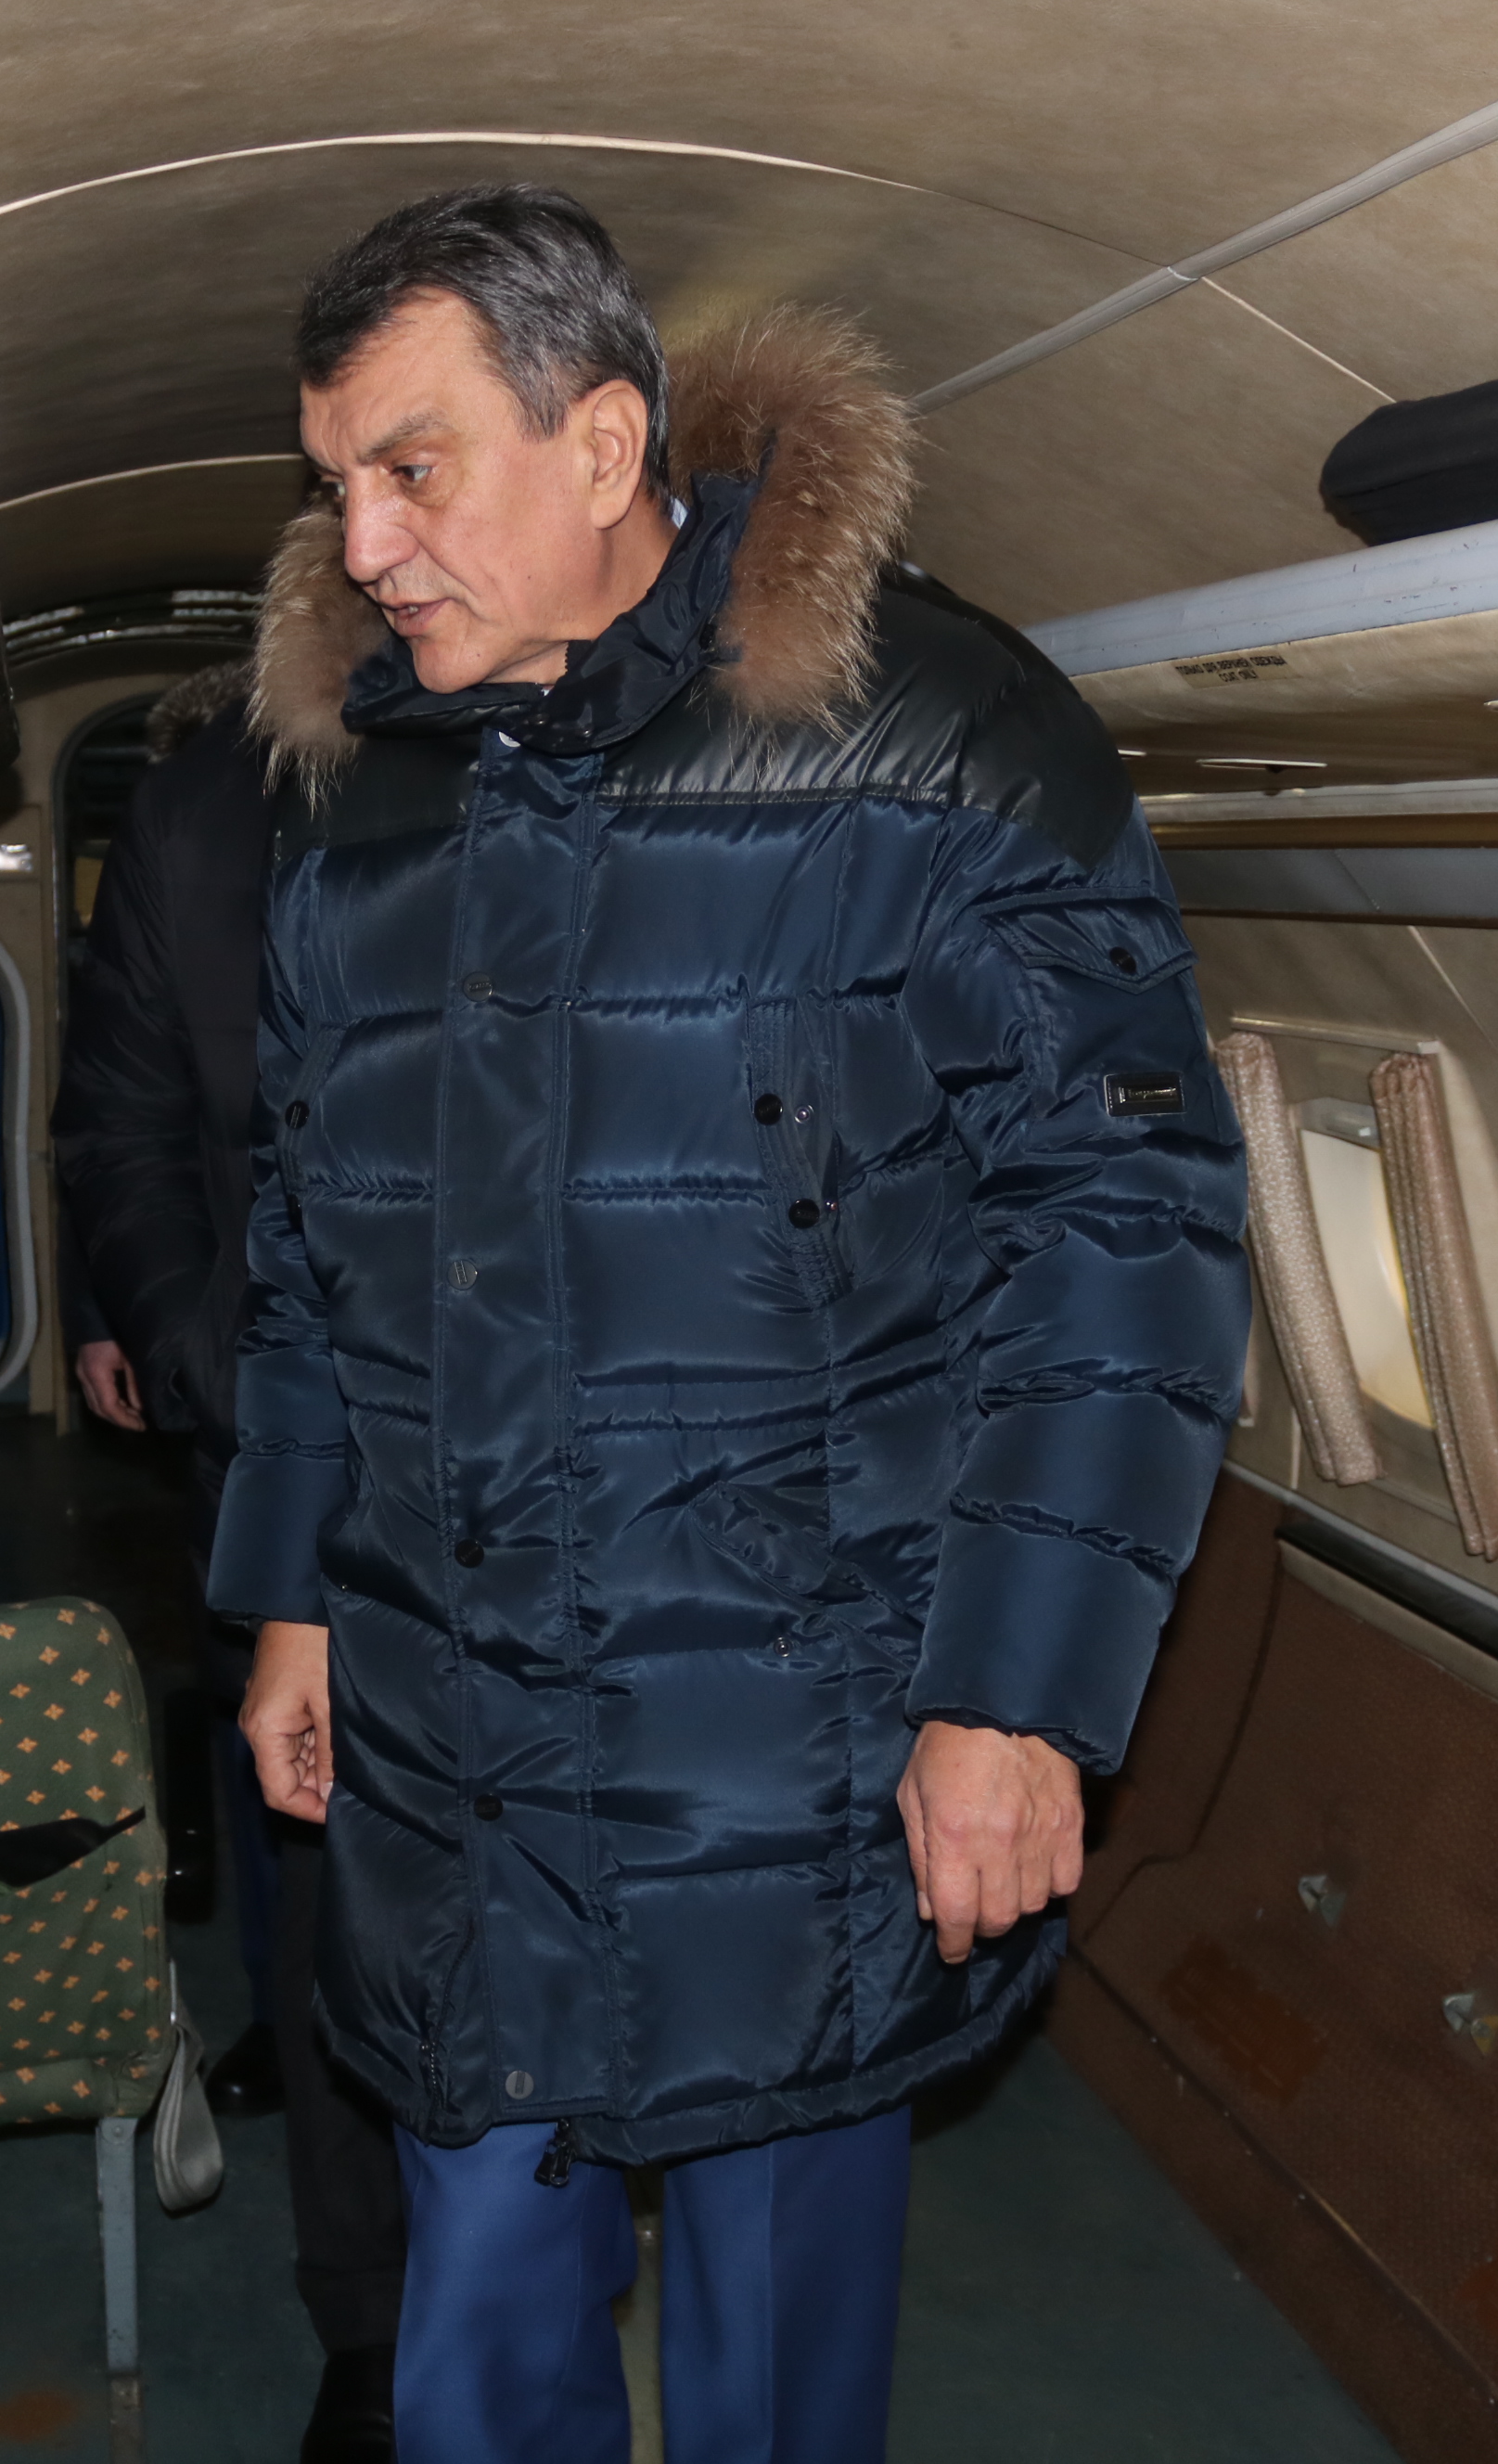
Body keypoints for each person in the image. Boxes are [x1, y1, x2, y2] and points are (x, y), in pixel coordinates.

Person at [214, 187, 1249, 2464]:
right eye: (338, 484)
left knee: (775, 2377)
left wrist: (1014, 1693)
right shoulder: (364, 803)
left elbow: (1124, 1228)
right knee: (472, 2366)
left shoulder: (934, 737)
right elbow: (307, 1230)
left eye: (411, 468)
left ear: (602, 443)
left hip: (793, 1752)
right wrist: (292, 1590)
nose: (363, 545)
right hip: (456, 1748)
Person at [54, 664, 413, 2464]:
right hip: (277, 1435)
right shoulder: (200, 821)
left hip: (547, 1456)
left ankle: (521, 2263)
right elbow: (115, 1121)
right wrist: (199, 1352)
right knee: (326, 1849)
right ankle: (373, 2322)